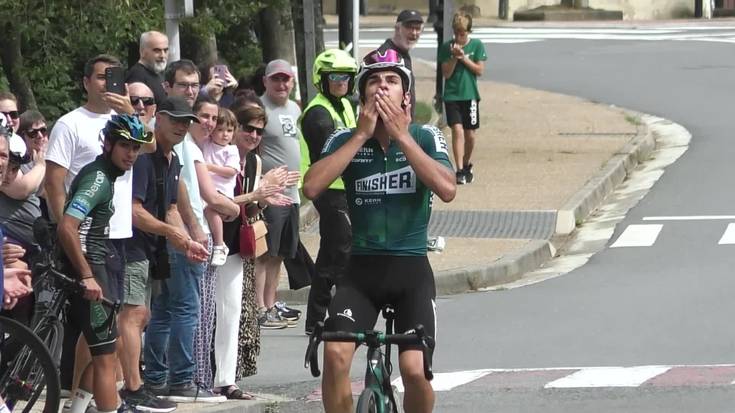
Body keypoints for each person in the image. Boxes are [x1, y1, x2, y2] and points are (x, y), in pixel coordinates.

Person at [302, 48, 456, 413]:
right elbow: (311, 187)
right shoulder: (344, 139)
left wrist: (403, 137)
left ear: (406, 95)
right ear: (362, 94)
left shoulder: (426, 136)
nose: (381, 88)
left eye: (391, 81)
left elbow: (447, 189)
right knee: (336, 354)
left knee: (414, 370)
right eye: (373, 81)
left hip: (411, 269)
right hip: (361, 271)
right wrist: (359, 136)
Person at [43, 54, 136, 398]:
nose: (105, 84)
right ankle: (105, 402)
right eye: (99, 77)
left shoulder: (122, 119)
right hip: (85, 238)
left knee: (98, 334)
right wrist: (64, 234)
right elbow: (54, 183)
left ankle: (78, 402)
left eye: (112, 77)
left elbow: (153, 145)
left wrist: (129, 112)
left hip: (119, 235)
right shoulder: (70, 124)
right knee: (105, 344)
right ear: (85, 82)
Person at [57, 114, 152, 413]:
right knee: (106, 358)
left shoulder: (107, 176)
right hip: (89, 268)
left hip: (99, 266)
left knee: (104, 349)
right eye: (125, 145)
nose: (132, 154)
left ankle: (77, 409)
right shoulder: (98, 178)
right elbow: (67, 226)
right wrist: (86, 276)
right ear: (108, 144)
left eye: (136, 147)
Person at [212, 104, 291, 398]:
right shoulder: (218, 155)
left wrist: (266, 198)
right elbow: (218, 199)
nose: (253, 135)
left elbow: (251, 207)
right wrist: (259, 193)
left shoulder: (255, 162)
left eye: (259, 131)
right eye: (248, 128)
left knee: (233, 312)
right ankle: (208, 375)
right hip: (213, 238)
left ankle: (227, 379)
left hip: (238, 241)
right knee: (211, 312)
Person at [298, 49, 357, 335]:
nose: (341, 82)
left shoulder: (343, 105)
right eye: (335, 77)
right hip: (329, 189)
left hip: (341, 188)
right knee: (342, 250)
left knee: (332, 252)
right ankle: (336, 314)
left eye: (346, 77)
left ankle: (317, 319)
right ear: (322, 79)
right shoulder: (319, 115)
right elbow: (330, 157)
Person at [257, 59, 303, 328]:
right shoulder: (260, 109)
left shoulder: (295, 108)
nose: (281, 84)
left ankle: (271, 303)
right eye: (276, 79)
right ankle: (259, 307)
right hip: (271, 194)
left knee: (280, 253)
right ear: (265, 81)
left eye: (286, 79)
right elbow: (252, 149)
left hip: (292, 192)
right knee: (264, 253)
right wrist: (261, 181)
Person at [439, 12, 486, 185]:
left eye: (462, 33)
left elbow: (479, 70)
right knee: (457, 130)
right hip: (452, 96)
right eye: (456, 33)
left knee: (470, 135)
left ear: (468, 32)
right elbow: (446, 73)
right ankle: (458, 169)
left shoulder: (477, 45)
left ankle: (466, 164)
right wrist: (453, 57)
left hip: (470, 95)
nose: (459, 37)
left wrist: (463, 58)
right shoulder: (446, 47)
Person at [203, 108, 240, 266]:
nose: (225, 134)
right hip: (207, 191)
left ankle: (219, 245)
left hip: (223, 193)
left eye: (229, 130)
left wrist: (210, 167)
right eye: (220, 130)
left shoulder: (231, 150)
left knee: (211, 210)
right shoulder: (207, 144)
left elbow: (231, 171)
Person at [377, 9, 424, 120]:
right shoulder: (386, 55)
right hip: (391, 124)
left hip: (403, 124)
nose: (414, 33)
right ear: (397, 29)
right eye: (409, 28)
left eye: (417, 29)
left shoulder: (404, 53)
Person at [126, 31, 169, 105]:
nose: (162, 55)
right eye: (157, 50)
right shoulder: (137, 76)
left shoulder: (159, 73)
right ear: (142, 52)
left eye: (165, 50)